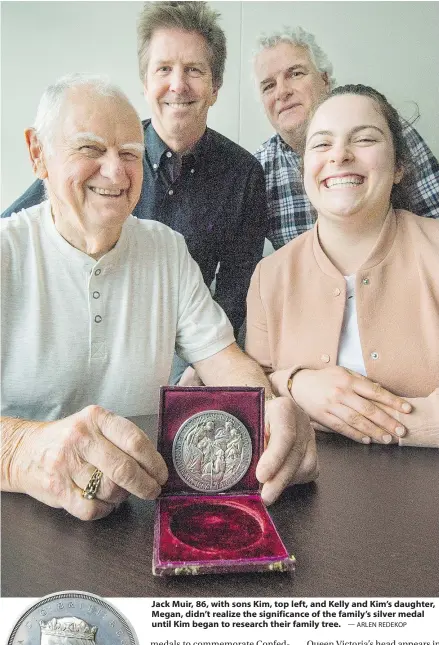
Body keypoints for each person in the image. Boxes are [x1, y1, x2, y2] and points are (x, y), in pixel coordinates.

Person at [1, 74, 318, 521]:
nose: (114, 171)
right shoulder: (6, 252)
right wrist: (22, 452)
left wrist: (271, 411)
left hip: (136, 511)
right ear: (39, 153)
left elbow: (223, 359)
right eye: (90, 148)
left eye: (130, 153)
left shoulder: (165, 248)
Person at [2, 2, 267, 358]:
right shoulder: (97, 161)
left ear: (216, 86)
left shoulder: (243, 173)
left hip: (185, 345)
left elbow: (236, 291)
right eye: (163, 69)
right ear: (145, 82)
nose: (178, 84)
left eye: (193, 70)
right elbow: (17, 227)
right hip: (83, 332)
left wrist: (200, 365)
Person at [246, 85, 439, 447]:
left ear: (399, 166)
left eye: (364, 139)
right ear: (304, 171)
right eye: (321, 144)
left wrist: (383, 426)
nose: (340, 156)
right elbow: (256, 390)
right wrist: (297, 383)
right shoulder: (268, 276)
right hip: (303, 492)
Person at [253, 27, 439, 249]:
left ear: (325, 80)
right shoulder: (257, 170)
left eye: (295, 73)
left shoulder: (387, 131)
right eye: (268, 86)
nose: (282, 92)